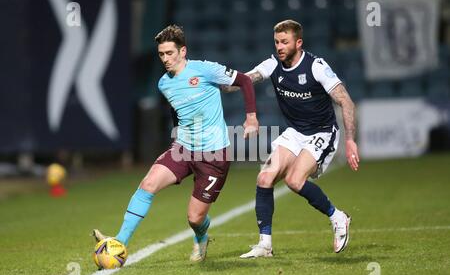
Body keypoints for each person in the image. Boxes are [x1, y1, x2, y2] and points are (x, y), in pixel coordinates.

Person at [93, 24, 259, 262]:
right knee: (148, 183)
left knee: (194, 218)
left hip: (214, 155)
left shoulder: (204, 70)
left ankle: (201, 237)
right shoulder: (164, 83)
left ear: (183, 51)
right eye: (161, 54)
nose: (165, 59)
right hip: (183, 148)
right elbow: (177, 109)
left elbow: (244, 81)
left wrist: (251, 118)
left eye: (169, 53)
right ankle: (119, 242)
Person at [221, 19, 359, 258]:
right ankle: (265, 245)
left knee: (295, 181)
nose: (279, 47)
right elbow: (243, 81)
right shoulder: (273, 64)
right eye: (276, 42)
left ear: (298, 42)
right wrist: (213, 79)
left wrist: (350, 140)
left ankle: (338, 218)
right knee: (264, 177)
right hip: (294, 133)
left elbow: (345, 100)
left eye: (284, 42)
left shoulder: (316, 66)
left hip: (321, 132)